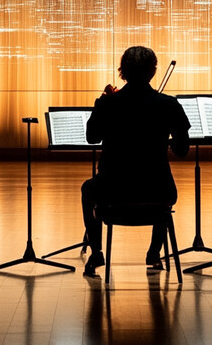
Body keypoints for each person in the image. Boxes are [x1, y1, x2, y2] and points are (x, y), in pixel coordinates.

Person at [81, 46, 191, 276]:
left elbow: (92, 138)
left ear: (123, 72)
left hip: (112, 190)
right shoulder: (169, 105)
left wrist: (102, 105)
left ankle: (97, 251)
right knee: (162, 188)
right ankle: (154, 252)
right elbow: (182, 150)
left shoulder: (107, 104)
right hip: (158, 190)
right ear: (152, 72)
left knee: (88, 188)